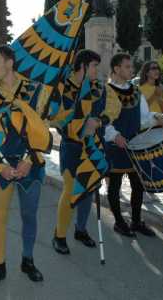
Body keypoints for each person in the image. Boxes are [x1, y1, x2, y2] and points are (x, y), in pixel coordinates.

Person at [0, 45, 52, 288]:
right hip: (0, 167)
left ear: (9, 63)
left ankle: (27, 261)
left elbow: (43, 128)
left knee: (29, 216)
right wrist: (0, 167)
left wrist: (29, 160)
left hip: (31, 166)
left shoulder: (36, 91)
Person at [51, 49, 120, 255]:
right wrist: (81, 124)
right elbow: (56, 117)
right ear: (82, 65)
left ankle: (80, 230)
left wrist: (100, 121)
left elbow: (114, 107)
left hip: (93, 146)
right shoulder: (64, 87)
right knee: (70, 189)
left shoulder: (99, 87)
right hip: (72, 146)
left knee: (89, 188)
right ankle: (59, 235)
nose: (96, 70)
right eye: (93, 65)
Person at [105, 53, 163, 238]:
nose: (131, 70)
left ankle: (136, 221)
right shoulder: (105, 91)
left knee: (138, 185)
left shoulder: (136, 91)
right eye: (127, 67)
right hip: (115, 147)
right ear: (116, 69)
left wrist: (157, 117)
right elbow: (102, 120)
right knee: (114, 186)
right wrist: (114, 135)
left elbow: (144, 117)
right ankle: (119, 222)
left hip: (135, 146)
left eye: (131, 67)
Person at [138, 61, 163, 203]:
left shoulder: (159, 87)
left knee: (155, 158)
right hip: (145, 127)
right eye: (153, 68)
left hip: (159, 126)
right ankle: (143, 190)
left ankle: (152, 189)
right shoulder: (139, 88)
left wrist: (160, 96)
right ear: (146, 71)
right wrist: (155, 95)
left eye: (158, 68)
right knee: (145, 159)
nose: (157, 71)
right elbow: (143, 109)